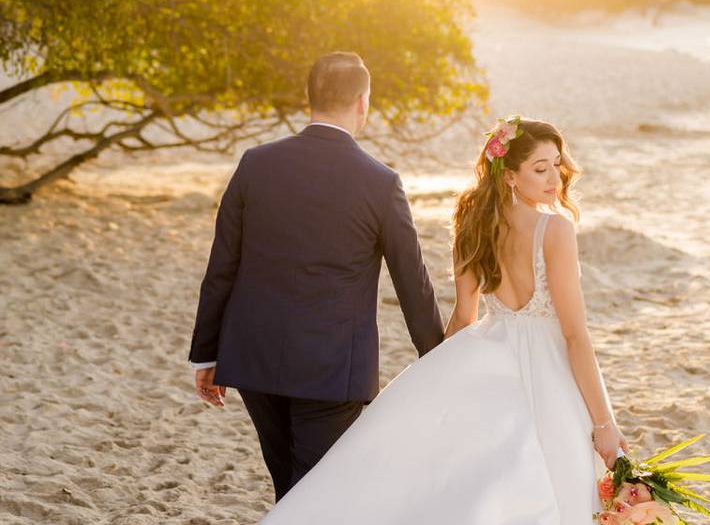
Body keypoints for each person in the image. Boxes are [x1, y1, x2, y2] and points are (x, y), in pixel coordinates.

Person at [259, 116, 629, 524]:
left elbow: (464, 317)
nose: (553, 178)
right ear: (508, 175)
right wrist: (603, 423)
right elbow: (575, 336)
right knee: (557, 479)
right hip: (550, 367)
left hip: (489, 354)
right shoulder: (555, 228)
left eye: (556, 164)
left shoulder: (472, 223)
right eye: (540, 169)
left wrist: (435, 378)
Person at [187, 51, 445, 502]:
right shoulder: (380, 183)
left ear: (309, 98)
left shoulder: (255, 164)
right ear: (363, 103)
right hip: (331, 370)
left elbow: (222, 266)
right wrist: (439, 360)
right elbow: (413, 282)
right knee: (314, 495)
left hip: (254, 359)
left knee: (289, 485)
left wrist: (205, 355)